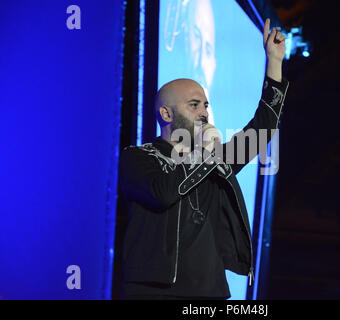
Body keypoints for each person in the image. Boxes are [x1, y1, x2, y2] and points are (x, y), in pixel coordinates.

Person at [119, 19, 289, 300]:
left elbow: (262, 128)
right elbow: (163, 192)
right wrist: (203, 151)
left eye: (206, 105)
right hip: (155, 293)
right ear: (166, 114)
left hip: (210, 294)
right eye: (194, 105)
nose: (204, 113)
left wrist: (274, 62)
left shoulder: (214, 159)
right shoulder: (138, 157)